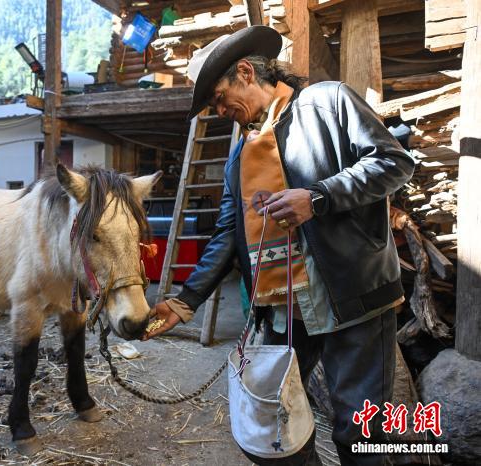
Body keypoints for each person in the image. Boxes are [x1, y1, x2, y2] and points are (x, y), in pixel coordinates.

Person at [142, 25, 415, 466]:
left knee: (359, 432)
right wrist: (184, 301)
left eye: (218, 98)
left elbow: (394, 162)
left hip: (353, 294)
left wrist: (318, 197)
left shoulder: (328, 102)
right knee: (271, 424)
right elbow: (227, 234)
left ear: (245, 72)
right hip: (284, 308)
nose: (219, 111)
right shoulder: (240, 156)